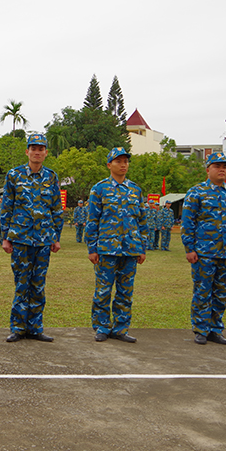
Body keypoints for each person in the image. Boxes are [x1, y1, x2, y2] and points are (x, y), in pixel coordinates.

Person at [0, 133, 64, 343]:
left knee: (38, 285)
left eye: (41, 149)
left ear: (46, 153)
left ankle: (36, 328)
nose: (37, 152)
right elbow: (7, 207)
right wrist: (5, 237)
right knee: (21, 284)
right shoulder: (14, 175)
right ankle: (18, 328)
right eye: (33, 148)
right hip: (20, 239)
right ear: (27, 151)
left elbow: (56, 208)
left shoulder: (52, 177)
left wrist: (56, 237)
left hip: (44, 239)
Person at [181, 152, 226, 345]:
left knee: (221, 292)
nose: (222, 170)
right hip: (204, 253)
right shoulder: (197, 192)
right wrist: (189, 248)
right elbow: (188, 222)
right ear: (208, 169)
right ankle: (201, 329)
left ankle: (215, 330)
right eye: (217, 166)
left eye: (224, 167)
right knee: (203, 291)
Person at [85, 147, 147, 343]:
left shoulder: (135, 190)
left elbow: (142, 221)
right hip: (106, 249)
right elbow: (92, 220)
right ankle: (102, 326)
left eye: (126, 161)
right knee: (103, 290)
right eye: (119, 161)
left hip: (130, 249)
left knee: (125, 290)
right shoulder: (99, 189)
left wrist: (142, 247)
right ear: (109, 164)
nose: (123, 165)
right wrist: (92, 248)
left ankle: (121, 328)